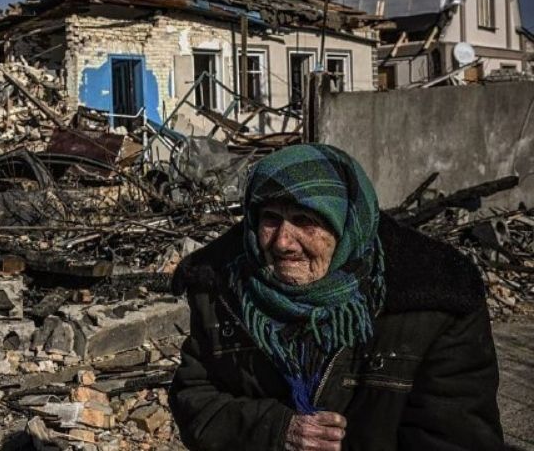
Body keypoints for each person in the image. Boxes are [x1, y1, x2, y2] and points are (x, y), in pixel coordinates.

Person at [169, 144, 503, 450]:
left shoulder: (435, 300)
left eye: (305, 220)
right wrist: (274, 430)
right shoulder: (222, 290)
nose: (283, 241)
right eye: (271, 219)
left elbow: (455, 437)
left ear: (346, 224)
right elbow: (195, 399)